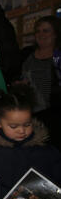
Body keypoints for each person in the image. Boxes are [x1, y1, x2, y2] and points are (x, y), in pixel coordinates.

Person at [20, 16, 61, 150]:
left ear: (55, 34)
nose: (41, 34)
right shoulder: (26, 54)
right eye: (38, 31)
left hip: (54, 114)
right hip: (29, 113)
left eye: (46, 31)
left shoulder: (58, 55)